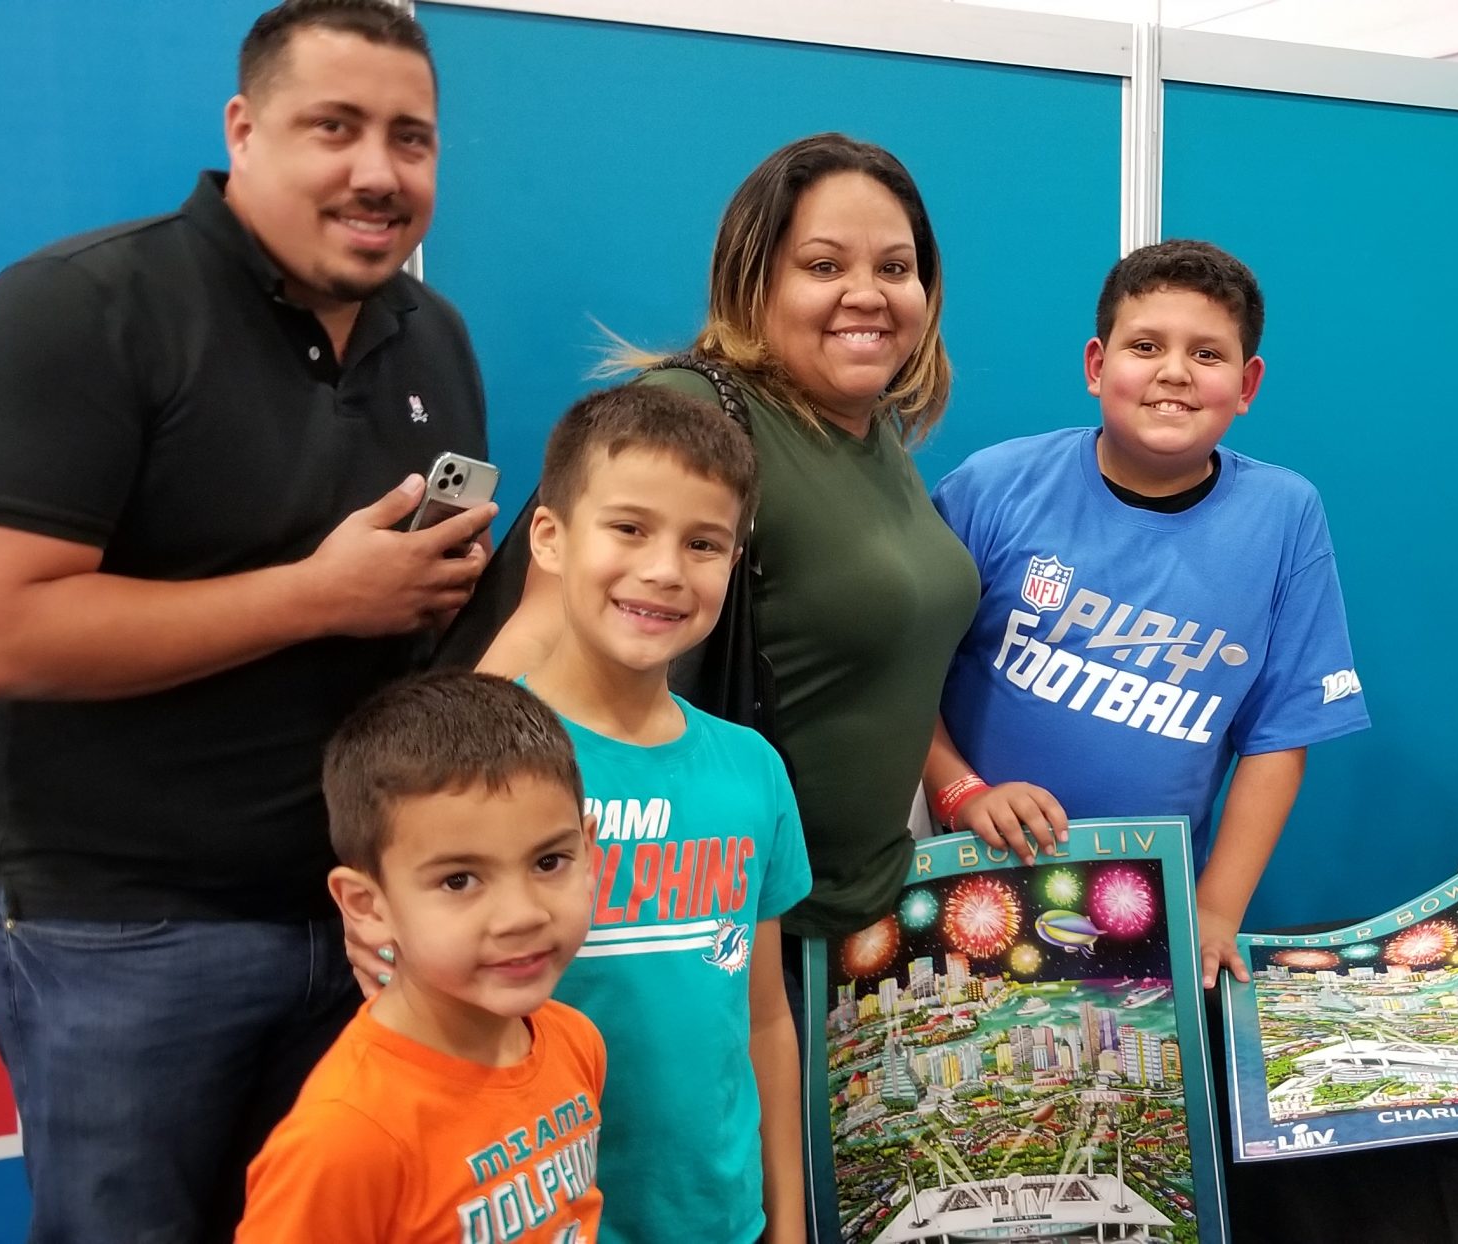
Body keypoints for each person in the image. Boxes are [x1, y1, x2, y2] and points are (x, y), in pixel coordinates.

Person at [0, 2, 492, 1237]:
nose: (377, 171)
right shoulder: (81, 307)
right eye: (334, 127)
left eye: (411, 138)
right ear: (244, 128)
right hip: (125, 930)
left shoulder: (433, 336)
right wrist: (319, 596)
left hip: (363, 920)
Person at [478, 133, 976, 948]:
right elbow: (539, 633)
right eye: (824, 267)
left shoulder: (873, 434)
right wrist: (443, 845)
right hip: (709, 927)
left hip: (860, 928)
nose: (868, 294)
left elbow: (878, 663)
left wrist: (955, 787)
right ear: (756, 280)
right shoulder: (698, 413)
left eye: (895, 268)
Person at [921, 240, 1369, 987]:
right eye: (1146, 345)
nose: (1174, 372)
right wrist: (960, 789)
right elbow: (898, 677)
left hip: (1148, 918)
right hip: (962, 886)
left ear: (1247, 383)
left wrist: (1217, 911)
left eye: (1207, 354)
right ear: (1097, 366)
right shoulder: (993, 488)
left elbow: (1280, 735)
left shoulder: (1286, 516)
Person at [519, 385, 810, 1244]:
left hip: (723, 1221)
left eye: (704, 542)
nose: (664, 570)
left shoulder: (751, 772)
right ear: (550, 538)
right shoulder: (480, 769)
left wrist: (788, 1224)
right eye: (629, 528)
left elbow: (764, 1019)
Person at [239, 672, 604, 1242]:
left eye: (549, 862)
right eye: (459, 880)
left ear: (590, 853)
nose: (521, 915)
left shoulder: (575, 1042)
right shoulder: (345, 1137)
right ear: (366, 905)